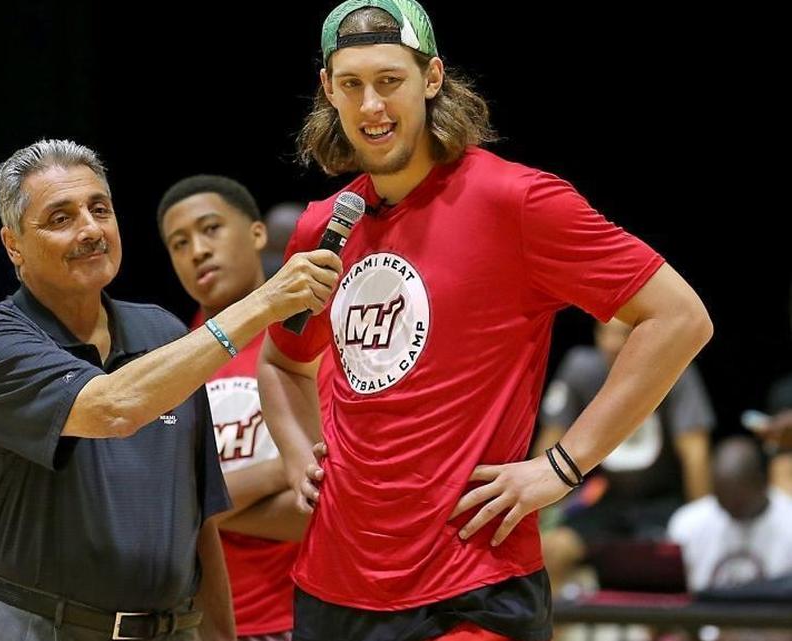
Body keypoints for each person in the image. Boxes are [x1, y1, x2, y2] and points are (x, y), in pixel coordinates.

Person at [257, 2, 714, 640]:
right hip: (331, 588)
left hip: (472, 586)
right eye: (352, 85)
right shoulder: (323, 224)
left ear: (433, 78)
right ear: (327, 90)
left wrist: (561, 468)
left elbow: (679, 318)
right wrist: (295, 451)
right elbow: (281, 361)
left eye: (390, 81)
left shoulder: (517, 201)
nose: (371, 107)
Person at [0, 140, 341, 641]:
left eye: (100, 209)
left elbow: (200, 525)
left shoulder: (163, 333)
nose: (90, 229)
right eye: (60, 218)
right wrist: (263, 302)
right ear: (13, 245)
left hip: (173, 628)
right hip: (40, 626)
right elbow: (112, 407)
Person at [158, 174, 308, 641]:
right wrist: (279, 471)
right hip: (197, 625)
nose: (197, 251)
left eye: (211, 229)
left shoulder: (305, 343)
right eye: (179, 244)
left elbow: (318, 513)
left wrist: (197, 503)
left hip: (298, 619)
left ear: (257, 234)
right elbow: (157, 511)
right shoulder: (169, 365)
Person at [536, 318, 715, 594]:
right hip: (600, 500)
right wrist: (536, 519)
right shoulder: (581, 369)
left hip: (661, 504)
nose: (610, 344)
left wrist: (704, 523)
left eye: (621, 335)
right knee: (551, 550)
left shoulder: (676, 368)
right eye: (603, 333)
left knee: (684, 562)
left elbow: (695, 454)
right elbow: (549, 444)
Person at [667, 436, 792, 592]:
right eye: (723, 501)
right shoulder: (687, 524)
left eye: (739, 502)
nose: (732, 508)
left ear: (761, 483)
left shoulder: (788, 522)